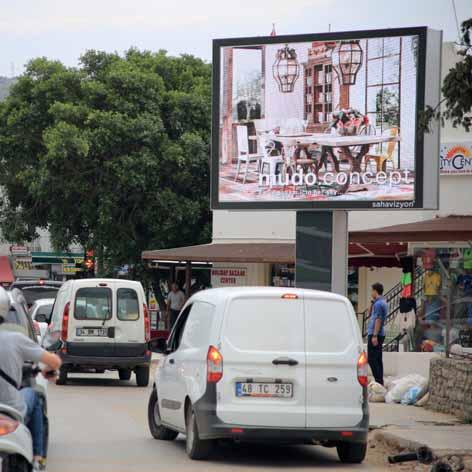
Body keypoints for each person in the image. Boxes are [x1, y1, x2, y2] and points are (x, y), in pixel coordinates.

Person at [0, 287, 62, 471]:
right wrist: (47, 371)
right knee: (35, 396)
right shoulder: (16, 339)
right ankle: (37, 458)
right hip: (11, 407)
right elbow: (55, 361)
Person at [367, 283, 388, 385]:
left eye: (372, 291)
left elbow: (378, 319)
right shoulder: (378, 302)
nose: (371, 293)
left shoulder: (379, 304)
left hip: (376, 333)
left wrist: (374, 335)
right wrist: (372, 302)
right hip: (378, 333)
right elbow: (369, 314)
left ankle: (379, 381)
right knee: (377, 359)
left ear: (375, 291)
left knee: (372, 359)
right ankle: (380, 381)